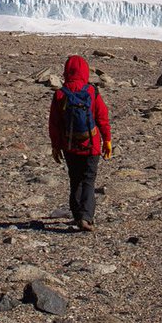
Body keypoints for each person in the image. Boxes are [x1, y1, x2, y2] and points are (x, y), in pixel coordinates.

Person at [48, 54, 112, 232]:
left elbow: (55, 124)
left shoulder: (60, 94)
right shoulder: (92, 91)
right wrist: (107, 140)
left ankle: (77, 215)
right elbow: (102, 118)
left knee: (75, 180)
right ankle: (86, 216)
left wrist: (56, 146)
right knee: (88, 180)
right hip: (91, 144)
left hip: (70, 146)